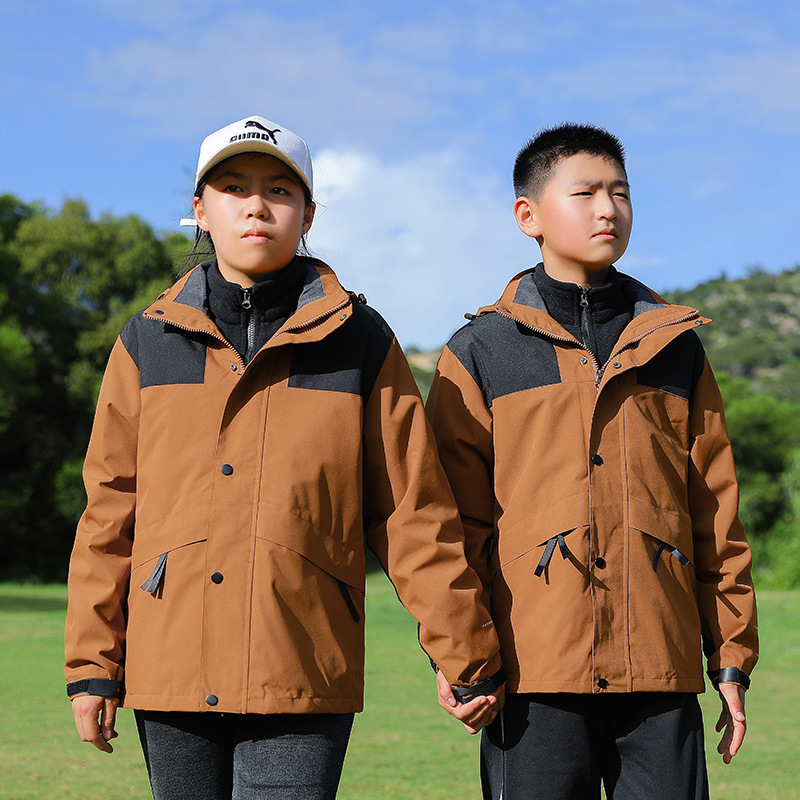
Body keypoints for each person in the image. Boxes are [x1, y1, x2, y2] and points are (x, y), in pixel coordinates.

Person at [65, 115, 504, 800]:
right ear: (200, 210)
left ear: (308, 214)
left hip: (303, 661)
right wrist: (93, 665)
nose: (256, 206)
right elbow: (109, 512)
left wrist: (464, 651)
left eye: (278, 190)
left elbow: (411, 509)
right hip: (170, 663)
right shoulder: (146, 341)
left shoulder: (360, 339)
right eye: (234, 188)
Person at [426, 123, 758, 800]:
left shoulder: (675, 347)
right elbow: (450, 526)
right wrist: (458, 652)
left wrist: (731, 657)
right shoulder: (480, 351)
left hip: (660, 666)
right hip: (531, 671)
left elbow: (714, 512)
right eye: (585, 193)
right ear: (528, 216)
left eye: (621, 193)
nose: (608, 209)